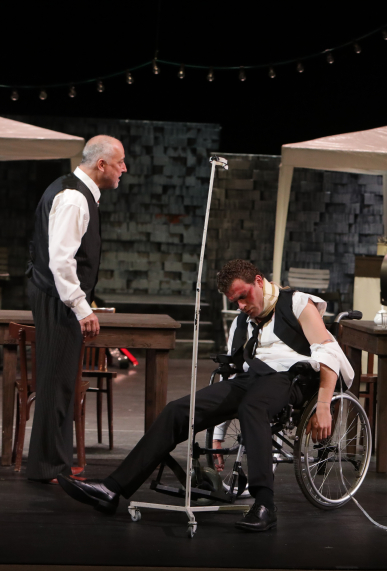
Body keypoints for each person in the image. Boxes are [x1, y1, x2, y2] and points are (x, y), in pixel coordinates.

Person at [58, 259, 354, 533]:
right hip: (252, 379)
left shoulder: (298, 303)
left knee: (252, 407)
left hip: (292, 377)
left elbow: (328, 352)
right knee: (177, 410)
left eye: (244, 296)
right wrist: (217, 436)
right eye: (235, 301)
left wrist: (323, 405)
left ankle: (265, 503)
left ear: (259, 281)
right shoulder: (242, 323)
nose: (241, 306)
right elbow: (233, 374)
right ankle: (112, 489)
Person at [25, 136, 127, 483]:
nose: (124, 169)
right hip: (56, 297)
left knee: (60, 381)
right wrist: (82, 308)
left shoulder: (77, 192)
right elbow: (61, 261)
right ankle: (49, 467)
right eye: (119, 162)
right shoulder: (73, 197)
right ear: (102, 164)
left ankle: (52, 463)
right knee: (57, 382)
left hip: (55, 295)